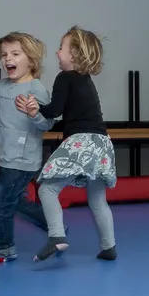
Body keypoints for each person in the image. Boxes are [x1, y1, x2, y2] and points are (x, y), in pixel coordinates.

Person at [24, 27, 115, 262]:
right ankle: (109, 246)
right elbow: (73, 117)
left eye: (61, 48)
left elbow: (55, 110)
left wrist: (35, 108)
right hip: (101, 143)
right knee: (98, 200)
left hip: (81, 142)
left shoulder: (64, 77)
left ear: (73, 54)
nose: (57, 52)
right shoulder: (86, 81)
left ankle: (56, 235)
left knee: (47, 189)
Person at [0, 32, 52, 263]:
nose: (8, 59)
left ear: (31, 60)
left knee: (0, 204)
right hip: (6, 155)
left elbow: (46, 124)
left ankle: (5, 249)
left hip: (24, 158)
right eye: (4, 54)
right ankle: (55, 228)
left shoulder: (37, 89)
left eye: (15, 54)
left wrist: (33, 113)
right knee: (16, 201)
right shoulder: (1, 86)